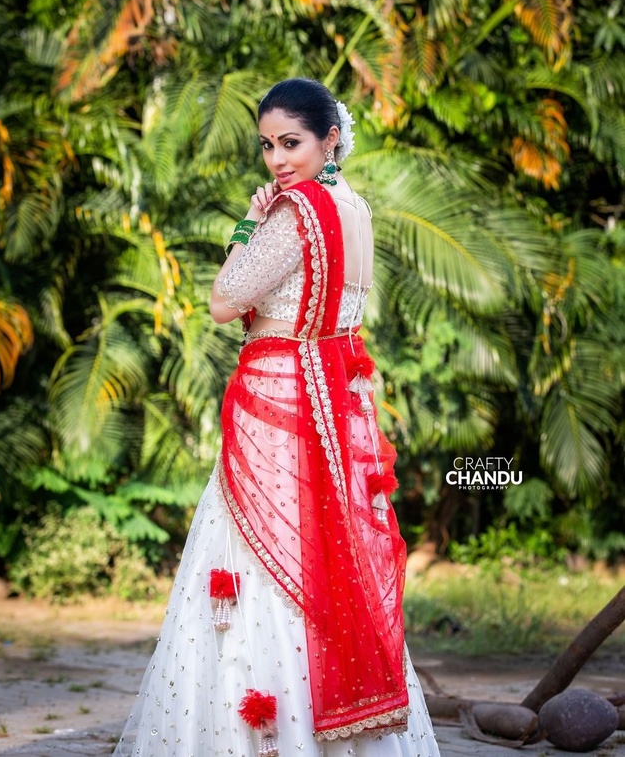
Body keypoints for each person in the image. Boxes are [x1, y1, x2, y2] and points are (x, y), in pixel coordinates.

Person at [113, 78, 440, 757]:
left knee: (260, 567)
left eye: (291, 142)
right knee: (331, 565)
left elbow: (226, 300)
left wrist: (247, 226)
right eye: (267, 146)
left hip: (278, 414)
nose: (277, 160)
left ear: (331, 139)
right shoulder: (357, 210)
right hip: (336, 404)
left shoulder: (295, 212)